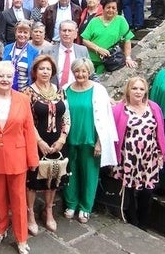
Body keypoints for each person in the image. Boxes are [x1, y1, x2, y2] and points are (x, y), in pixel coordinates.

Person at [0, 61, 39, 254]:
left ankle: (21, 238)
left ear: (13, 79)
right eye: (1, 76)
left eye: (8, 76)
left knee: (19, 199)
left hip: (17, 156)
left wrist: (33, 159)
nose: (4, 79)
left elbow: (29, 129)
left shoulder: (22, 99)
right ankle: (0, 228)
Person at [64, 58, 118, 224]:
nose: (80, 74)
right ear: (73, 72)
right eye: (77, 71)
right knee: (70, 173)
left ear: (89, 72)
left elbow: (106, 118)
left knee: (89, 175)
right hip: (70, 139)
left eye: (84, 71)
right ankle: (71, 203)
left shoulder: (99, 90)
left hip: (90, 140)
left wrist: (100, 142)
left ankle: (85, 207)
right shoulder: (65, 89)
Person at [22, 55, 70, 234]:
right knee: (33, 180)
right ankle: (30, 214)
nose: (45, 72)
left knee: (53, 176)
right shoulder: (28, 92)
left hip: (57, 141)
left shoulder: (59, 90)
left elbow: (66, 116)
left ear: (53, 72)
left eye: (48, 69)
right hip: (36, 141)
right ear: (35, 71)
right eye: (41, 68)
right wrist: (39, 141)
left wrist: (62, 138)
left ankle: (48, 210)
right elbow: (27, 120)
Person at [112, 77, 165, 230]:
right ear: (128, 90)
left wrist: (162, 152)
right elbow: (112, 131)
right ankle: (132, 219)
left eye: (141, 89)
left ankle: (143, 222)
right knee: (129, 188)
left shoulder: (153, 107)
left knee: (147, 191)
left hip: (150, 156)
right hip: (129, 156)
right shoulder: (119, 109)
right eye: (135, 88)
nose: (138, 92)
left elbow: (159, 131)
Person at [81, 0, 137, 73]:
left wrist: (128, 58)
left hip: (110, 62)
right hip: (91, 61)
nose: (111, 10)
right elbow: (85, 40)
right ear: (103, 8)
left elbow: (127, 39)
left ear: (117, 10)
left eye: (113, 8)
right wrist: (98, 49)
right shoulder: (94, 21)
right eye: (108, 7)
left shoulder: (121, 20)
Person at [41, 20, 89, 88]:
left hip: (77, 90)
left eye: (70, 31)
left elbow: (90, 73)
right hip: (52, 91)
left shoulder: (83, 51)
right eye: (64, 30)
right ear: (59, 33)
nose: (66, 33)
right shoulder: (47, 51)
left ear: (75, 34)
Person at [2, 20, 39, 91]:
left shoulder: (34, 52)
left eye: (25, 32)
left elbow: (35, 75)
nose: (22, 35)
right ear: (15, 33)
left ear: (29, 35)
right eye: (20, 32)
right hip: (5, 90)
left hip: (23, 92)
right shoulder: (7, 48)